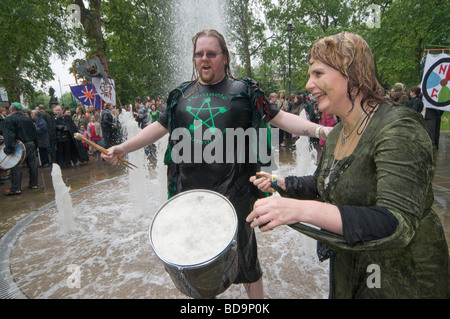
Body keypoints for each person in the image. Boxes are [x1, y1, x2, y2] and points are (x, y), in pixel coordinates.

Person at [102, 29, 330, 299]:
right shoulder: (181, 96)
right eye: (199, 54)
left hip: (236, 193)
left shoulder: (244, 91)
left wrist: (320, 131)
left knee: (247, 262)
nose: (204, 59)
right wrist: (123, 148)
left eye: (211, 53)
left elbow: (279, 118)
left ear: (224, 57)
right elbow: (158, 127)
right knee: (196, 263)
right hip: (191, 196)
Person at [248, 32, 449, 298]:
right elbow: (328, 184)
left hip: (403, 275)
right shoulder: (338, 133)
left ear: (352, 74)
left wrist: (300, 210)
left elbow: (397, 223)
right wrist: (283, 184)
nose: (309, 84)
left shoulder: (399, 128)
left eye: (318, 73)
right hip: (351, 267)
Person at [3, 103, 38, 194]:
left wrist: (8, 148)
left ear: (11, 110)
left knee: (16, 166)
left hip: (19, 146)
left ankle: (15, 188)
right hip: (31, 144)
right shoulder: (27, 119)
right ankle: (34, 184)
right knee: (32, 164)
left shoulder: (9, 119)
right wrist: (36, 145)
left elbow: (9, 135)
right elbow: (35, 133)